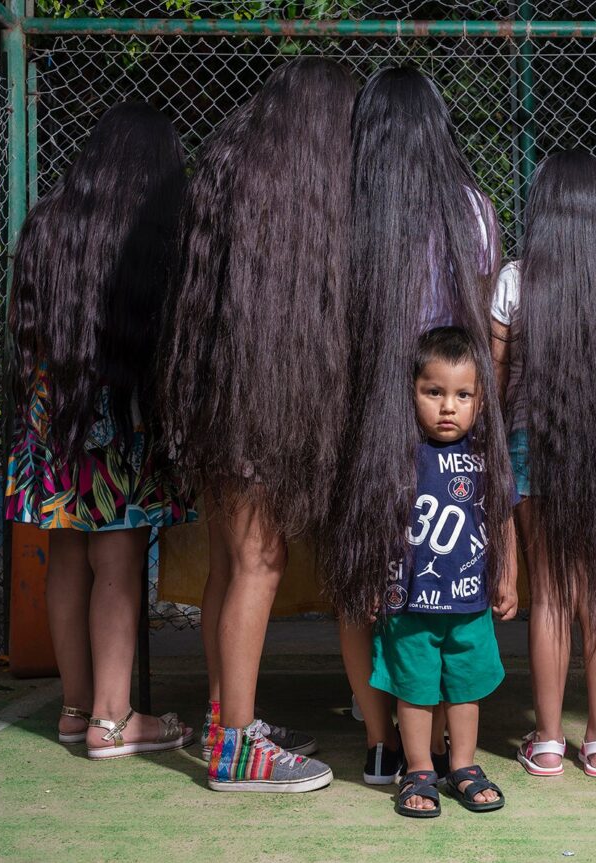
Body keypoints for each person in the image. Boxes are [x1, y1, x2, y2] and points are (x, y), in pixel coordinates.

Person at [159, 59, 355, 792]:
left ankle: (224, 720)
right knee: (258, 566)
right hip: (255, 406)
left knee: (228, 565)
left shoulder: (231, 162)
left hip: (213, 399)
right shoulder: (303, 193)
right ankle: (238, 749)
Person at [326, 66, 509, 787]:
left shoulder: (350, 208)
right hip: (451, 416)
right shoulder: (477, 212)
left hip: (369, 417)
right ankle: (439, 756)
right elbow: (477, 327)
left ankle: (380, 743)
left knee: (366, 584)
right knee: (442, 593)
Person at [5, 103, 194, 758]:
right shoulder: (149, 232)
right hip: (120, 417)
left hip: (52, 414)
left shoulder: (47, 224)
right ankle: (114, 722)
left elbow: (25, 328)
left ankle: (77, 708)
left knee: (64, 551)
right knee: (117, 559)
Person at [490, 151, 596, 778]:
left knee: (549, 597)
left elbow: (494, 389)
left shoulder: (515, 280)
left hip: (534, 448)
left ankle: (548, 742)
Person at [373, 327, 518, 818]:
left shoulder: (485, 456)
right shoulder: (396, 456)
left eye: (463, 395)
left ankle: (463, 766)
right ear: (411, 392)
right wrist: (373, 581)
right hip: (409, 604)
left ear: (481, 400)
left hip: (469, 602)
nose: (448, 407)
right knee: (414, 689)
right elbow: (377, 526)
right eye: (433, 392)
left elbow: (502, 518)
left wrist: (508, 576)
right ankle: (417, 770)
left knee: (465, 686)